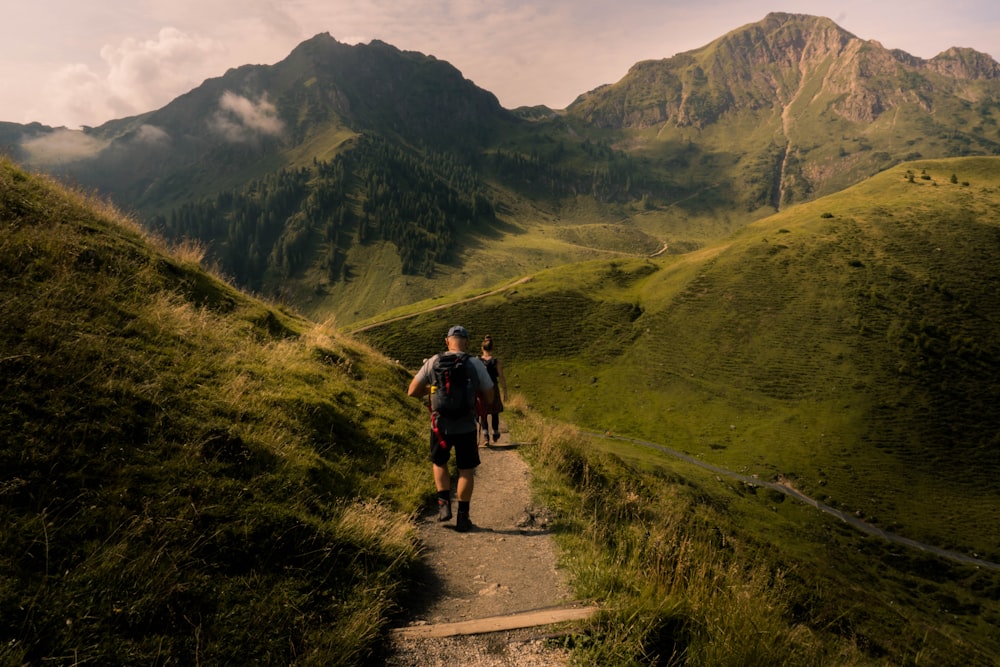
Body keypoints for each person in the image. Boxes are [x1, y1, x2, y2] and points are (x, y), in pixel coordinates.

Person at [408, 325, 494, 532]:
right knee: (466, 469)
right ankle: (463, 518)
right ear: (465, 342)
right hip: (466, 426)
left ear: (447, 341)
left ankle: (444, 505)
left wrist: (432, 388)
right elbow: (490, 397)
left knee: (439, 463)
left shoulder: (433, 362)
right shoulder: (475, 363)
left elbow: (412, 391)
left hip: (440, 426)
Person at [477, 334, 508, 446]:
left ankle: (486, 437)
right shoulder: (496, 362)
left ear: (482, 348)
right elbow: (501, 377)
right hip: (493, 387)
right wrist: (505, 391)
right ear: (492, 348)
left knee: (483, 412)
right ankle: (495, 432)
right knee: (495, 412)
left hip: (482, 389)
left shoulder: (478, 361)